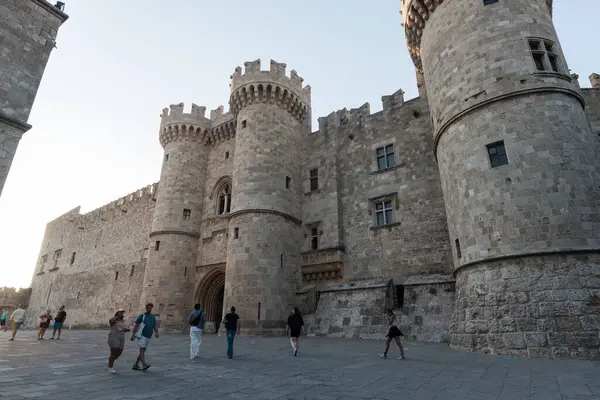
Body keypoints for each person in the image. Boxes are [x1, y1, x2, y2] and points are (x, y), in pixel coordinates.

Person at [130, 303, 158, 371]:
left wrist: (157, 332)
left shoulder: (153, 317)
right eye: (148, 308)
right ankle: (144, 365)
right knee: (142, 350)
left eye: (150, 308)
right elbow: (136, 325)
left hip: (148, 336)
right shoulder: (142, 316)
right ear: (146, 308)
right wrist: (133, 335)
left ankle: (136, 365)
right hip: (141, 335)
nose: (149, 309)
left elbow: (154, 326)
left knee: (143, 351)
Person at [107, 309, 130, 374]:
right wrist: (115, 317)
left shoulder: (123, 321)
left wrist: (126, 329)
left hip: (122, 337)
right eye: (120, 312)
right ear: (117, 313)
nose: (122, 314)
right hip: (114, 336)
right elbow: (110, 321)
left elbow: (126, 328)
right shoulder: (114, 320)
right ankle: (110, 368)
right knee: (114, 352)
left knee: (119, 352)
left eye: (122, 312)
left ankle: (110, 362)